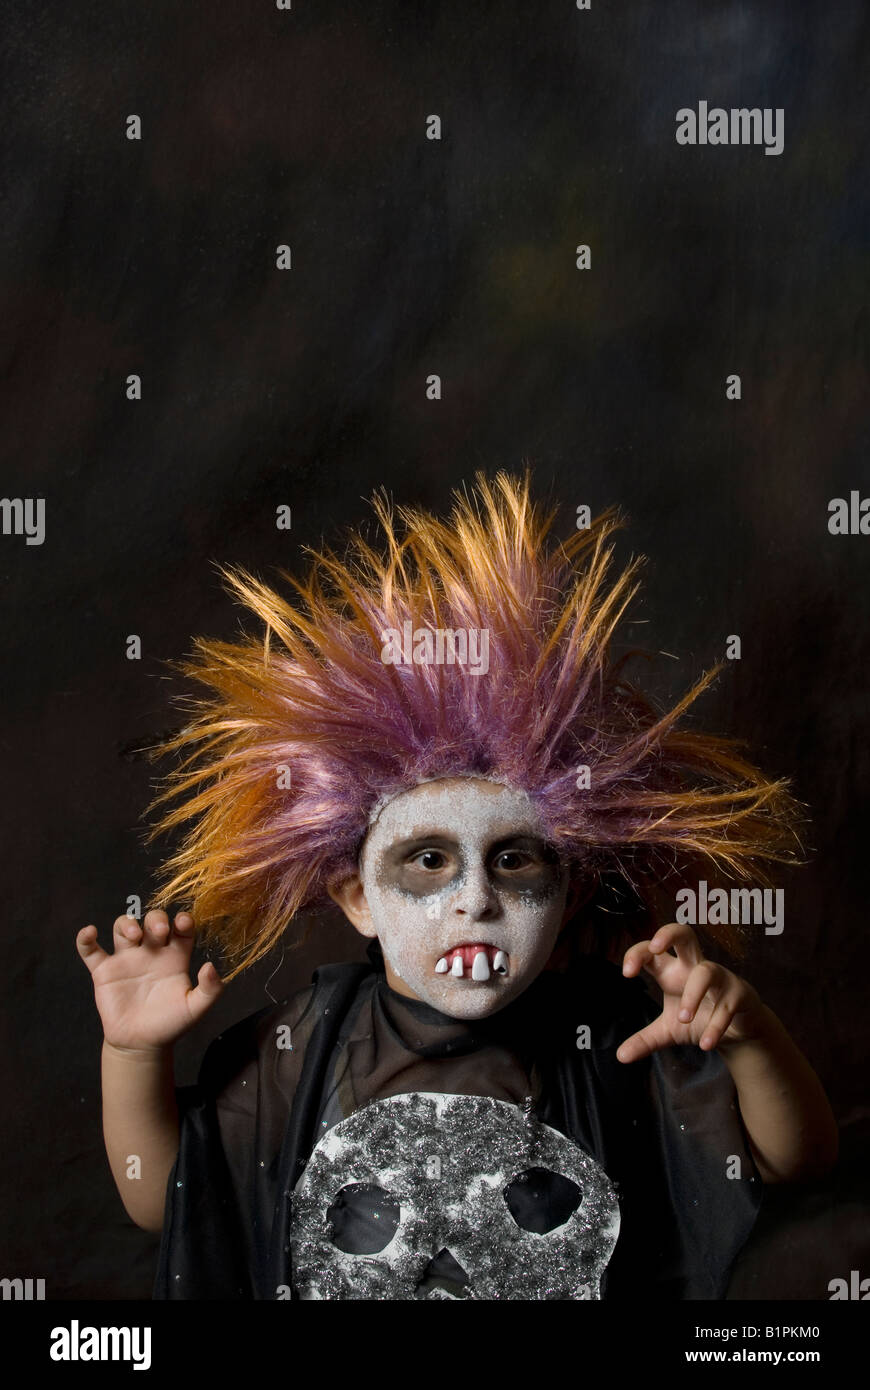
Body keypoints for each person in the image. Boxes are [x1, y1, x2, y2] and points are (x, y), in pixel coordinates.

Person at [76, 471, 838, 1300]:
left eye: (514, 861)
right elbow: (165, 1201)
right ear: (357, 895)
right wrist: (133, 1053)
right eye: (428, 862)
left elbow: (792, 1159)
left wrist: (749, 1037)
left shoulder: (618, 1043)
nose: (474, 898)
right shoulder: (299, 1051)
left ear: (571, 892)